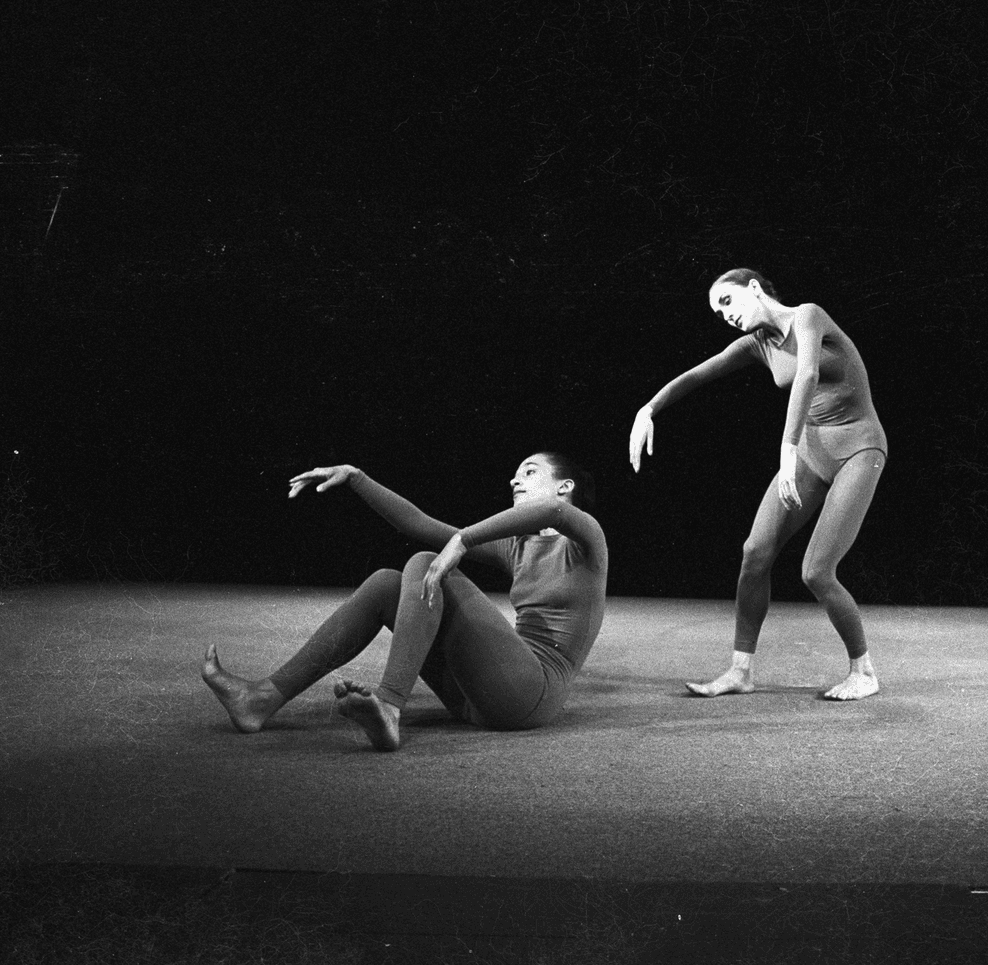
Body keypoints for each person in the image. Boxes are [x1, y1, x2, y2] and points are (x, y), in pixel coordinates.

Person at [201, 453, 607, 751]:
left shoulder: (588, 541)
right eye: (515, 475)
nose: (516, 482)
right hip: (478, 697)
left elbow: (554, 512)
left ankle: (390, 703)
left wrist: (463, 541)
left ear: (565, 486)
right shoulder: (517, 546)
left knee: (427, 563)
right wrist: (357, 478)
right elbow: (419, 524)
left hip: (530, 696)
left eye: (530, 473)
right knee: (386, 584)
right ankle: (262, 699)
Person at [629, 268, 887, 700]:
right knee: (755, 552)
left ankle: (864, 672)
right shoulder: (757, 344)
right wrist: (648, 409)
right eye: (717, 312)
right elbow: (697, 375)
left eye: (727, 302)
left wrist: (786, 452)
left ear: (754, 288)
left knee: (817, 571)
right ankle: (740, 671)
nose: (724, 315)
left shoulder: (808, 316)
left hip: (858, 450)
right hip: (809, 451)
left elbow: (805, 375)